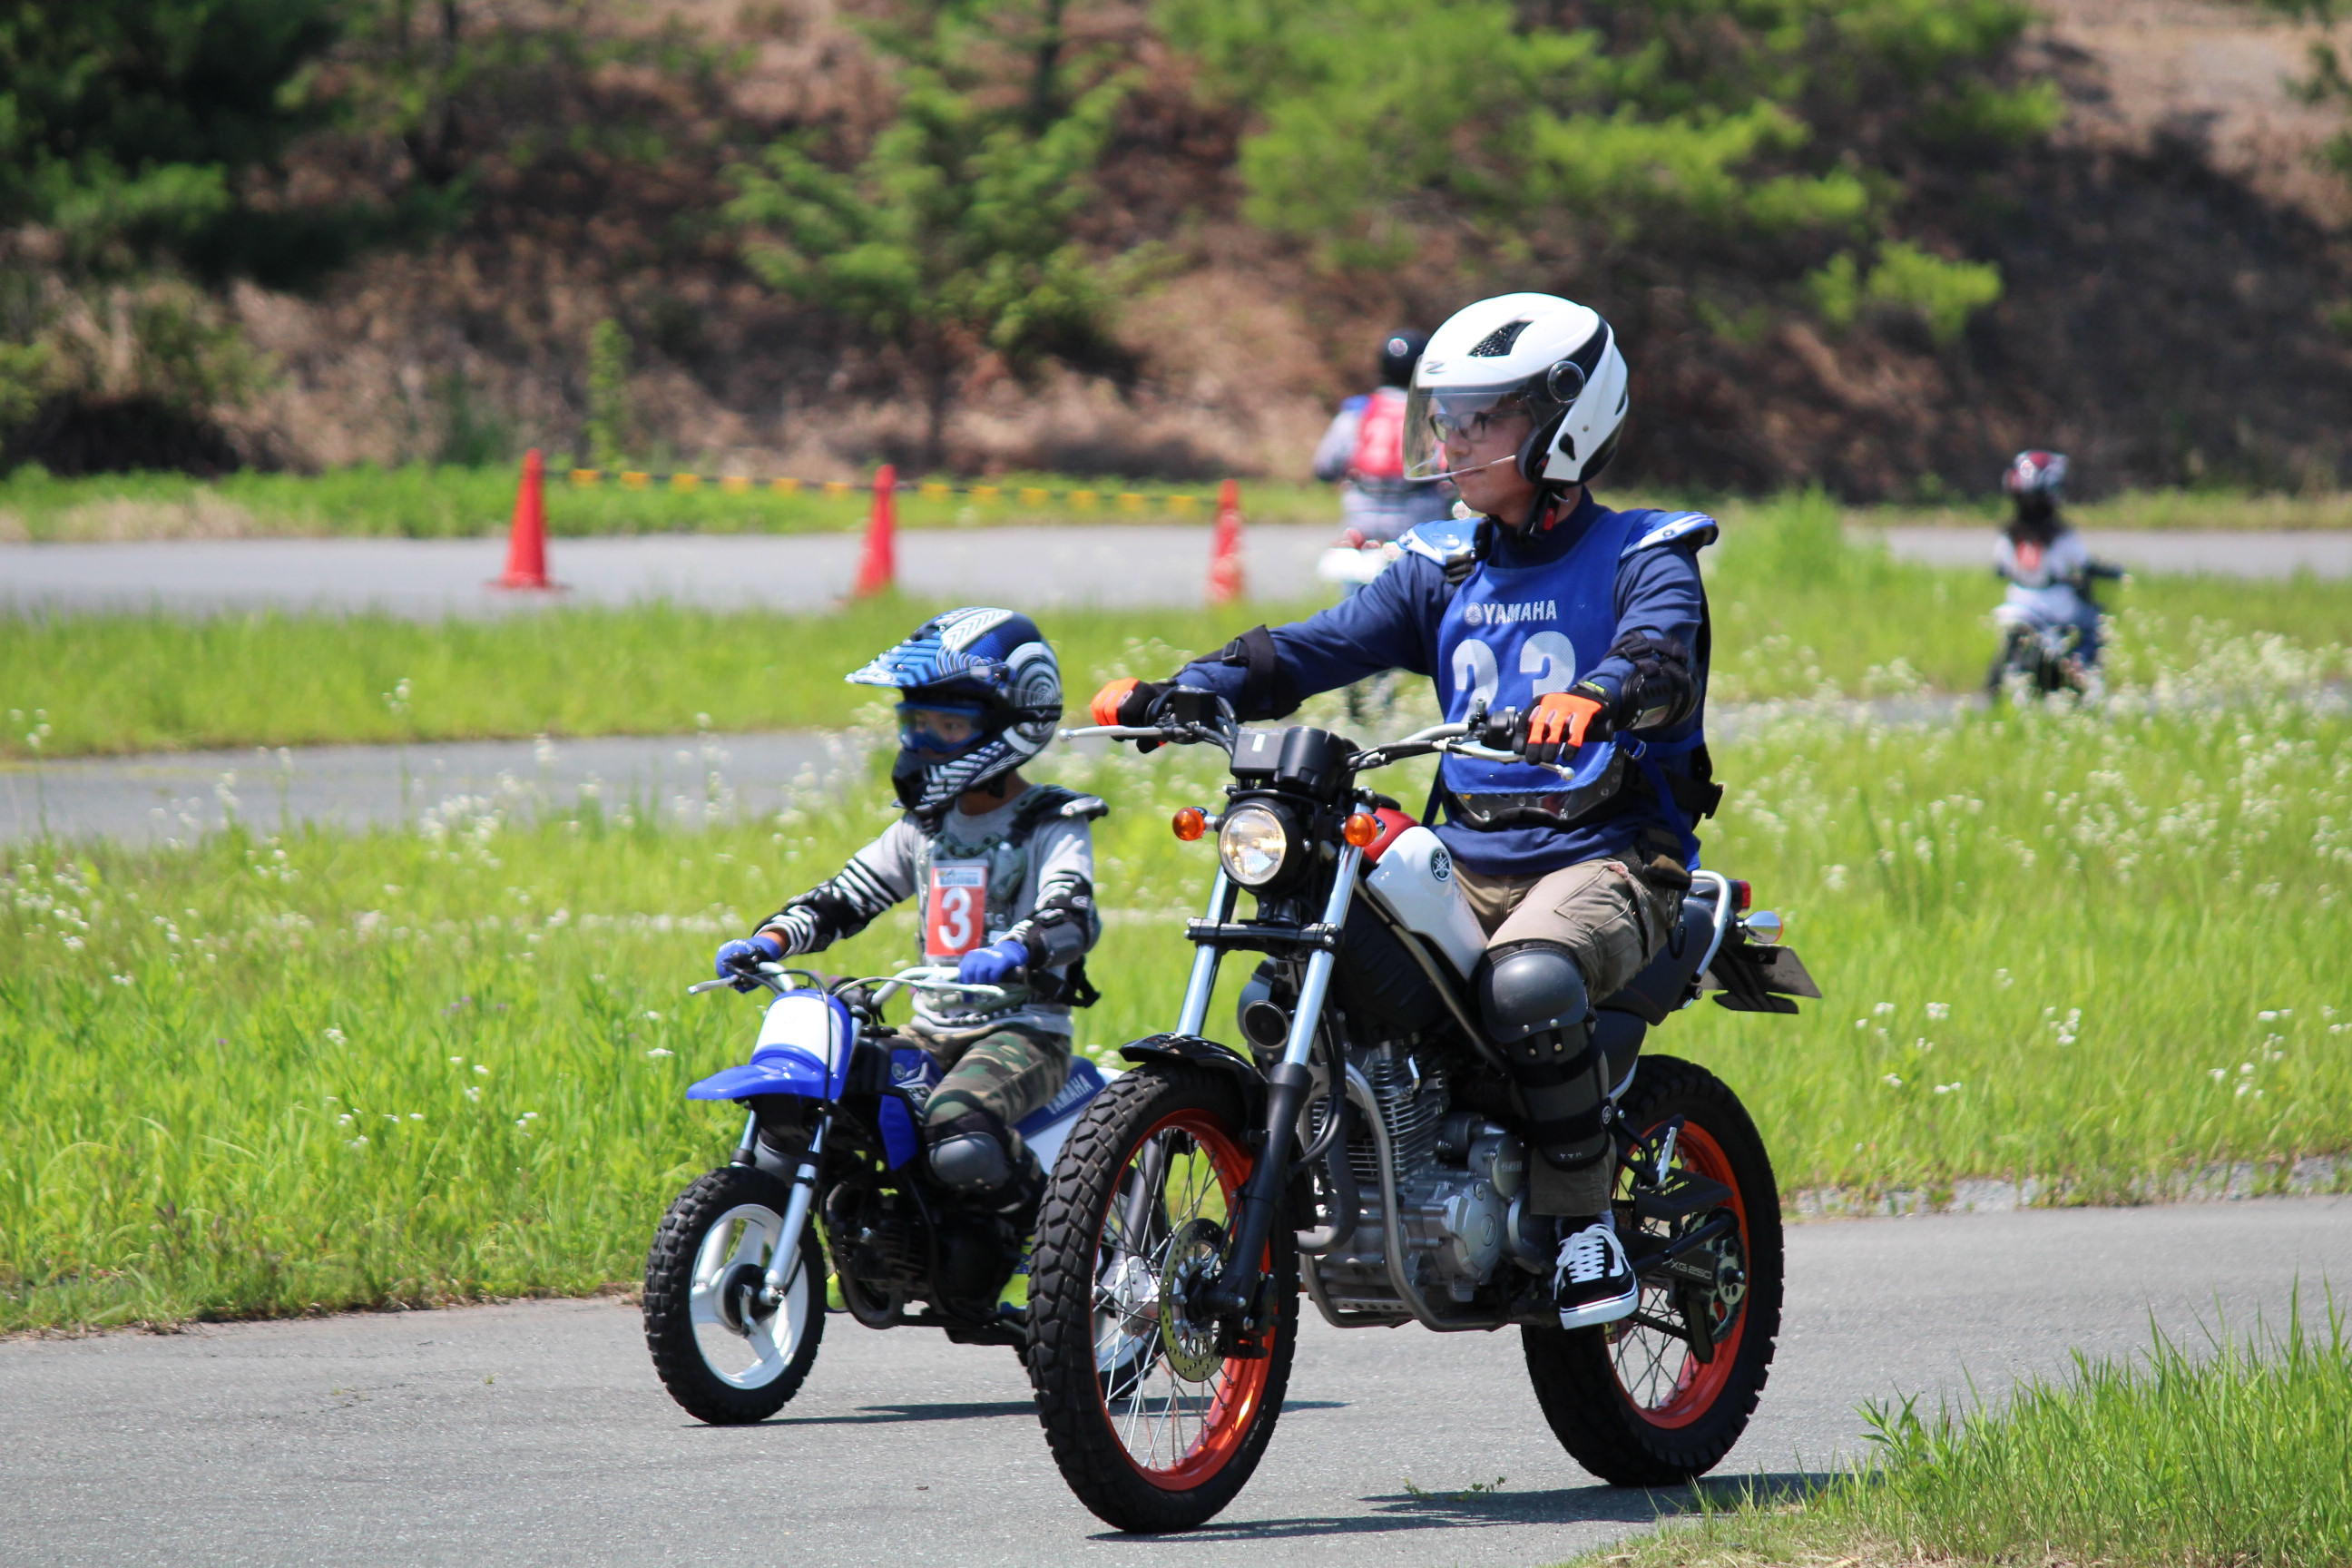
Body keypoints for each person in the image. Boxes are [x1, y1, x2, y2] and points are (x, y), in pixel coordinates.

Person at [1091, 292, 1721, 1331]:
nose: (1451, 437)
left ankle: (1580, 1227)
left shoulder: (1646, 550)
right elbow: (1313, 648)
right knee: (1306, 960)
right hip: (1467, 854)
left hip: (1607, 855)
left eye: (1484, 416)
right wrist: (1195, 686)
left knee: (1529, 984)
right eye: (1449, 414)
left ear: (1566, 419)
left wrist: (1599, 696)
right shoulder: (1442, 563)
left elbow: (1659, 653)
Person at [714, 607, 1105, 1255]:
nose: (924, 742)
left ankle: (1060, 1241)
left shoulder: (1051, 821)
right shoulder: (923, 828)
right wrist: (773, 941)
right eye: (915, 724)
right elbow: (845, 897)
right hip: (929, 1027)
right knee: (821, 1096)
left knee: (959, 1131)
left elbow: (1072, 914)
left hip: (1023, 1033)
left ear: (1012, 725)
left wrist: (1015, 947)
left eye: (948, 726)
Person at [1990, 449, 2120, 695]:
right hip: (2054, 604)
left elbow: (2000, 568)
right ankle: (2082, 671)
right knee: (2093, 620)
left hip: (2017, 599)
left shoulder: (2009, 535)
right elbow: (2082, 565)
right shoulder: (2061, 537)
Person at [1311, 328, 1452, 545]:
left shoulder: (1358, 411)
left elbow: (1325, 467)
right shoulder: (1436, 412)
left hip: (1362, 524)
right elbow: (1452, 469)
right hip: (1419, 524)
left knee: (1356, 577)